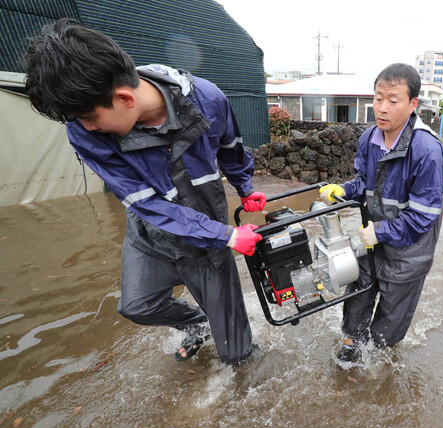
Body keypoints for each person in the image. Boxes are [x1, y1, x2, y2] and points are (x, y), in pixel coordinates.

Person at [24, 19, 266, 365]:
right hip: (152, 231)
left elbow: (231, 147)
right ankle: (198, 323)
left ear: (124, 98)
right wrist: (227, 235)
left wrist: (245, 187)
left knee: (237, 355)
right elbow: (148, 204)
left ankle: (224, 333)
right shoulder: (83, 132)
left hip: (206, 239)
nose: (87, 126)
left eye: (90, 117)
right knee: (137, 305)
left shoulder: (209, 99)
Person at [318, 64, 443, 362]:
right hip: (372, 241)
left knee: (389, 323)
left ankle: (379, 363)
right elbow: (364, 182)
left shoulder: (427, 150)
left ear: (413, 104)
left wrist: (379, 232)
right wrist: (344, 190)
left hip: (409, 253)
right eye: (378, 98)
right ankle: (350, 344)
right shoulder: (370, 138)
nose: (382, 108)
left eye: (393, 100)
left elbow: (422, 217)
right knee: (358, 294)